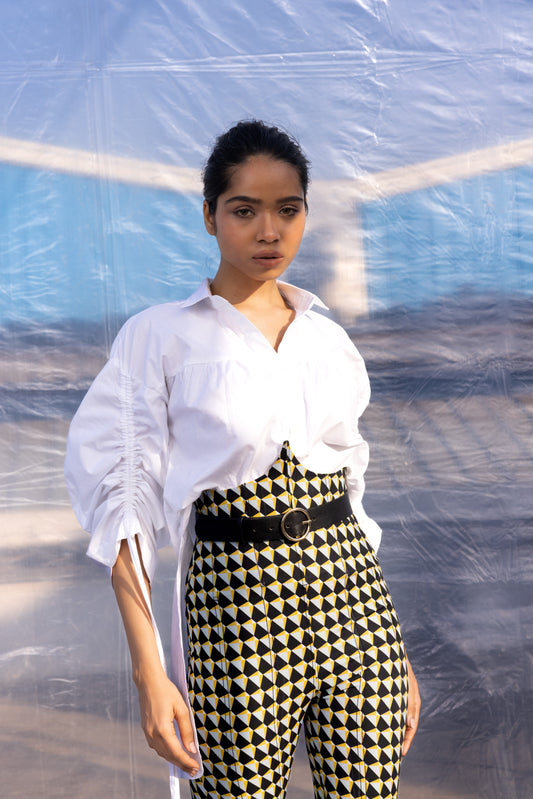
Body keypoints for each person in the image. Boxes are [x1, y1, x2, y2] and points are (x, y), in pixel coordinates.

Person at [65, 119, 420, 799]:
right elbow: (124, 501)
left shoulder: (328, 340)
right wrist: (149, 669)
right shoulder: (159, 335)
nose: (269, 231)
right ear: (209, 215)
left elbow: (353, 496)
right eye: (244, 210)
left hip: (356, 605)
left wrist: (393, 649)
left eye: (287, 210)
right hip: (235, 605)